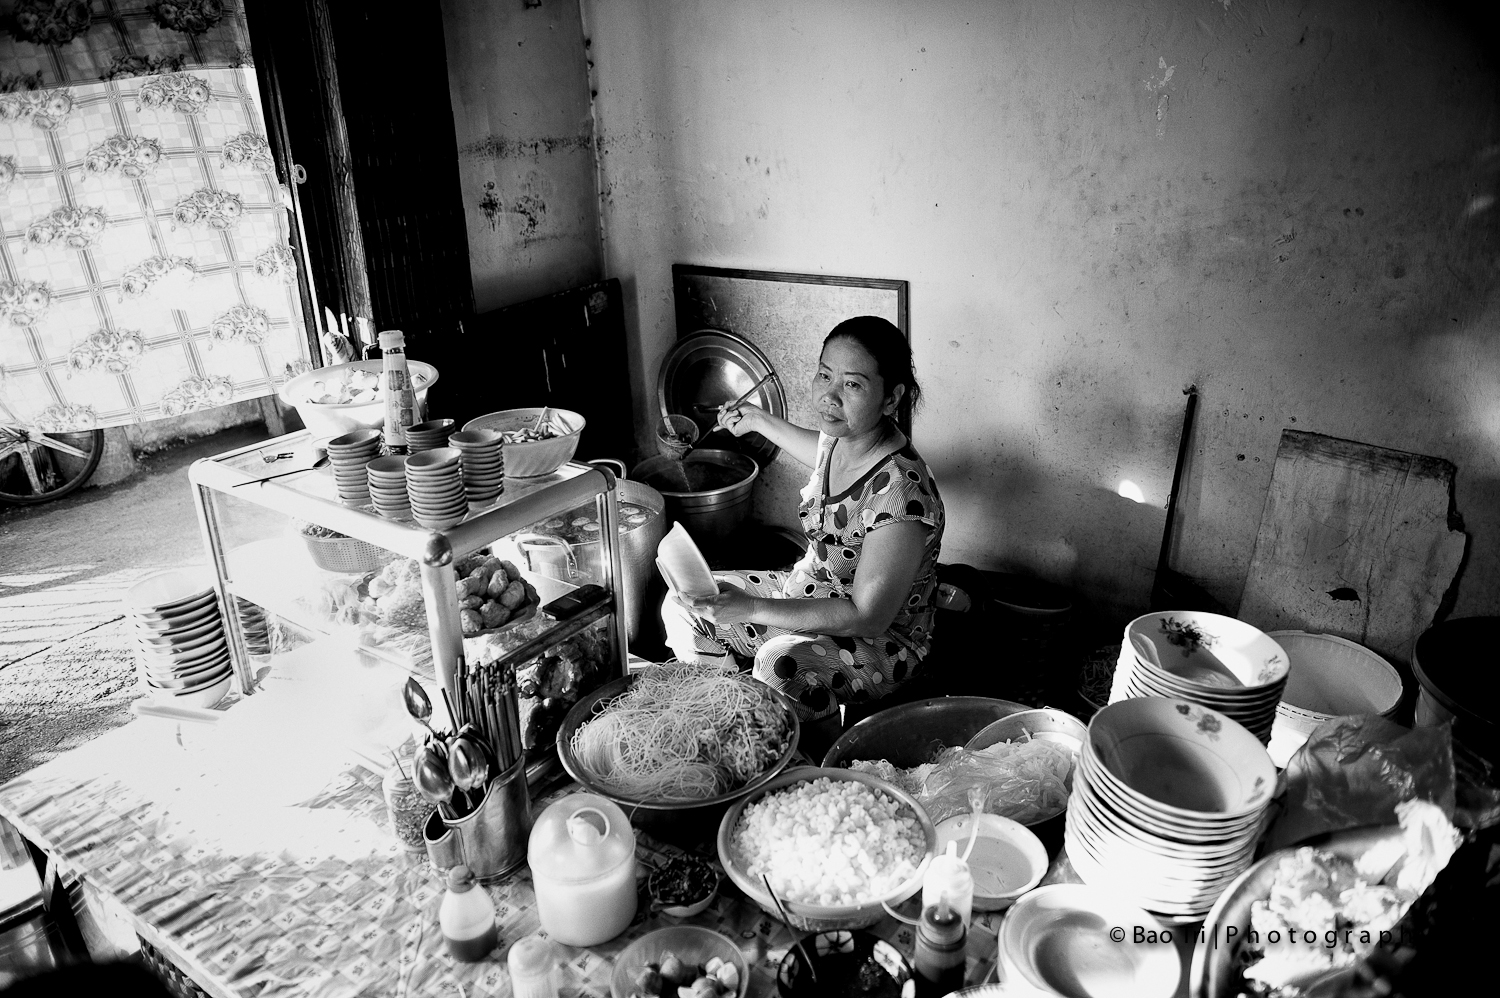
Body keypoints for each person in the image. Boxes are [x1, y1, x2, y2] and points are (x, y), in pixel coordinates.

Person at [662, 315, 945, 737]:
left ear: (891, 398)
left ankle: (800, 753)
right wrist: (757, 420)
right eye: (824, 375)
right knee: (687, 603)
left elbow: (866, 617)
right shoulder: (842, 439)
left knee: (779, 663)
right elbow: (816, 448)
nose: (830, 396)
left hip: (882, 643)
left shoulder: (900, 495)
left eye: (852, 384)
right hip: (809, 593)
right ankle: (726, 716)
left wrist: (752, 607)